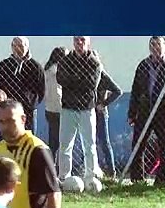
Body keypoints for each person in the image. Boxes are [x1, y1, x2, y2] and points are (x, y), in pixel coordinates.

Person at [127, 36, 165, 185]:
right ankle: (137, 179)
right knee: (138, 144)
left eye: (158, 44)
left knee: (164, 146)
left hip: (163, 111)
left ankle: (160, 181)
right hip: (145, 109)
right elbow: (135, 91)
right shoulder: (143, 65)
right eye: (152, 45)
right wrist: (132, 113)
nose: (155, 48)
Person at [54, 36, 105, 185]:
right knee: (65, 145)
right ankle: (64, 178)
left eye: (82, 40)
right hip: (68, 108)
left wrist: (73, 80)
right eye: (77, 40)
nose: (79, 43)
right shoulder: (65, 61)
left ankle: (90, 177)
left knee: (89, 145)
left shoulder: (94, 62)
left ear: (88, 42)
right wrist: (80, 79)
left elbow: (92, 83)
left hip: (86, 109)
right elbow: (61, 79)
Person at [0, 37, 44, 132]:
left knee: (27, 136)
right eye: (15, 46)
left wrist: (31, 103)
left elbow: (41, 90)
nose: (17, 48)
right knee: (8, 134)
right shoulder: (4, 65)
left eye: (21, 46)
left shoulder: (35, 66)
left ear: (27, 47)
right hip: (9, 109)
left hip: (28, 111)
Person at [94, 67, 122, 179]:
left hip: (100, 113)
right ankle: (92, 169)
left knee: (104, 142)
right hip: (87, 112)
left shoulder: (102, 76)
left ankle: (111, 171)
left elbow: (117, 91)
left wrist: (103, 104)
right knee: (88, 142)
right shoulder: (85, 74)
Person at [41, 47, 66, 159]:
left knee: (53, 139)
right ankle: (58, 165)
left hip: (49, 108)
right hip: (59, 109)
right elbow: (57, 92)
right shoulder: (57, 72)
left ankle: (52, 163)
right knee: (62, 141)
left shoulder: (47, 70)